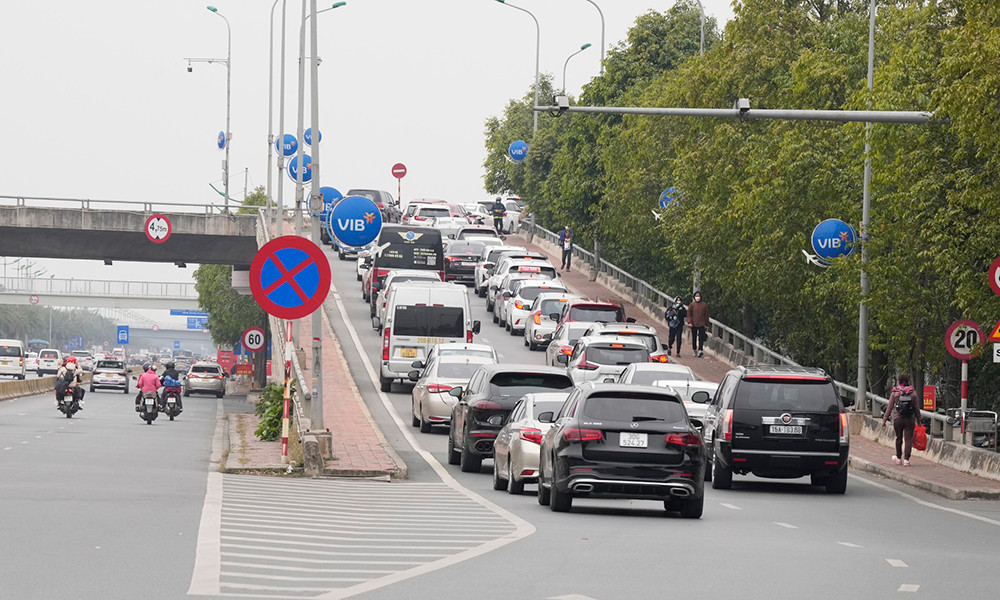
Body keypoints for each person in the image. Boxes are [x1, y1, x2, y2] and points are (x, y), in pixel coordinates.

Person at [880, 374, 921, 466]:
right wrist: (919, 420)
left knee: (898, 438)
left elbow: (889, 407)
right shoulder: (912, 393)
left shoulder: (895, 392)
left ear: (899, 381)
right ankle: (906, 459)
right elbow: (916, 408)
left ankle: (898, 458)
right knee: (908, 439)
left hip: (898, 419)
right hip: (909, 419)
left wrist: (884, 420)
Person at [687, 291, 709, 357]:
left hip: (702, 323)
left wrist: (707, 323)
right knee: (694, 337)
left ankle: (700, 350)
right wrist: (689, 322)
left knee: (701, 337)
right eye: (696, 296)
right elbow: (689, 314)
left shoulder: (704, 305)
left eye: (698, 296)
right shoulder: (692, 305)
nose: (697, 297)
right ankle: (694, 349)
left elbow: (706, 315)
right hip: (693, 324)